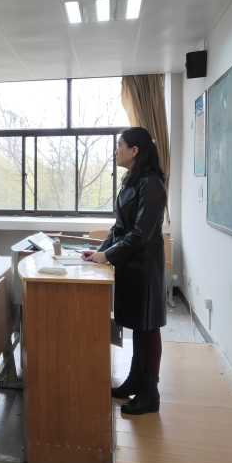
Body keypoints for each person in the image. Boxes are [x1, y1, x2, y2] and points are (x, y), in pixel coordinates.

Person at [84, 127, 167, 416]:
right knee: (138, 329)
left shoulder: (152, 183)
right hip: (130, 267)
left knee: (148, 329)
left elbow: (141, 233)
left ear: (135, 151)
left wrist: (108, 255)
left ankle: (150, 394)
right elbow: (119, 228)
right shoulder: (132, 180)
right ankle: (135, 380)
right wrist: (99, 252)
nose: (116, 150)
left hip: (145, 268)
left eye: (120, 145)